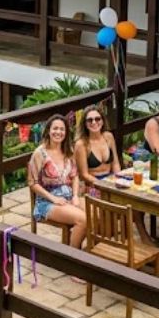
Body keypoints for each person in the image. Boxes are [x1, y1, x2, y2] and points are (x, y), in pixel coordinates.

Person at [27, 114, 86, 252]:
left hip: (68, 196)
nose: (58, 132)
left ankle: (82, 248)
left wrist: (76, 196)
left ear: (66, 133)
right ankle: (74, 257)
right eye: (55, 128)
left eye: (62, 129)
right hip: (47, 201)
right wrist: (53, 198)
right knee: (82, 219)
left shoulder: (68, 151)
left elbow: (75, 176)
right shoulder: (39, 153)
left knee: (96, 212)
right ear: (48, 130)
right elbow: (32, 183)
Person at [75, 105, 121, 191]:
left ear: (102, 121)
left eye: (97, 119)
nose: (94, 122)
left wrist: (118, 179)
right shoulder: (81, 144)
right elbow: (83, 175)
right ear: (85, 124)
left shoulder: (109, 137)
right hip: (92, 184)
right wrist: (103, 185)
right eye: (89, 120)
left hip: (111, 180)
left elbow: (115, 163)